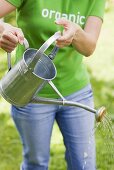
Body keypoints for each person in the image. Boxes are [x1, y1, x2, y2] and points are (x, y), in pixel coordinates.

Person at [0, 0, 106, 170]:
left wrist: (77, 33)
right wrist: (3, 30)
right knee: (36, 164)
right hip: (28, 94)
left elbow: (89, 47)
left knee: (84, 165)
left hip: (76, 92)